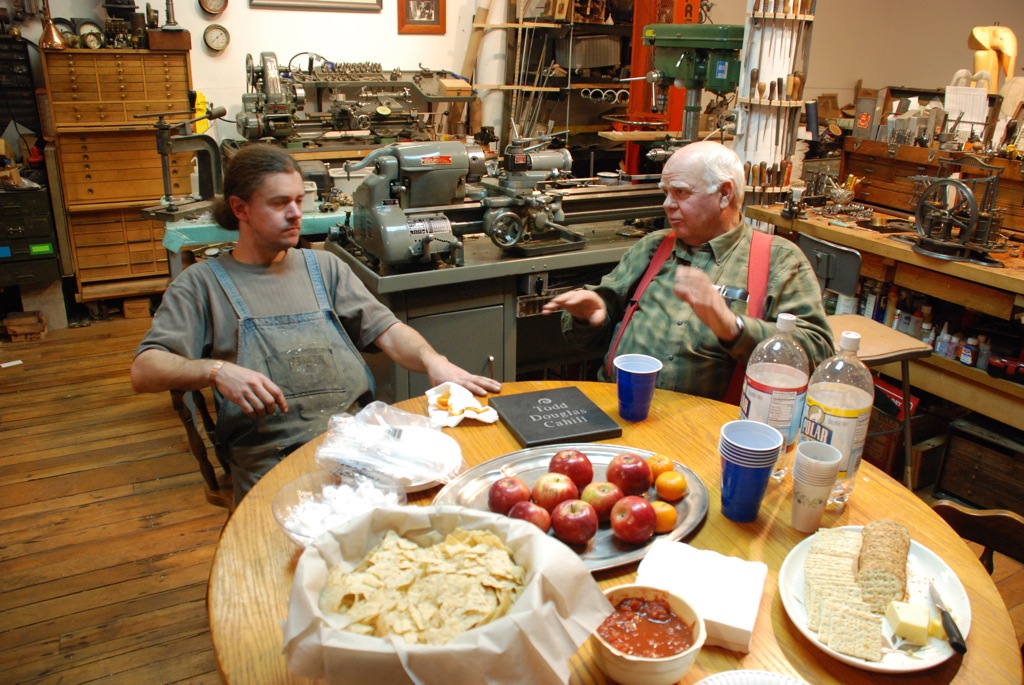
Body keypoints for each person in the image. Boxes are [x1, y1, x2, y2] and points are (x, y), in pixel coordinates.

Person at [131, 143, 501, 502]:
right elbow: (145, 370)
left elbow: (387, 330)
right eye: (280, 203)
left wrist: (432, 360)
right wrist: (215, 371)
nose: (296, 214)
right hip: (271, 460)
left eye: (298, 200)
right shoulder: (201, 284)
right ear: (240, 208)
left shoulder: (324, 267)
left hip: (356, 444)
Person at [541, 141, 833, 401]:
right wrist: (588, 317)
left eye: (681, 192)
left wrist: (734, 328)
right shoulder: (653, 248)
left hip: (709, 427)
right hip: (619, 405)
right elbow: (587, 341)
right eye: (666, 193)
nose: (667, 205)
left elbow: (817, 354)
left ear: (725, 194)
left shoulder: (779, 260)